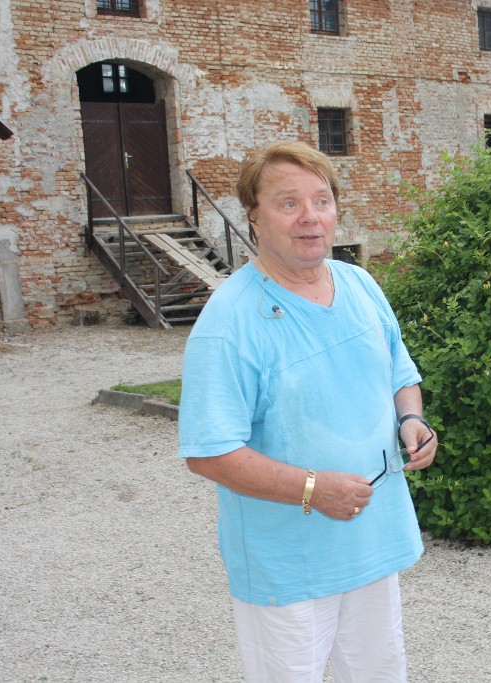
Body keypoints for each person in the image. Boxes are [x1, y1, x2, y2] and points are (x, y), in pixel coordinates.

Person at [176, 141, 437, 682]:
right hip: (289, 564)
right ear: (254, 216)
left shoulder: (360, 283)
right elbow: (208, 452)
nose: (310, 217)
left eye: (321, 200)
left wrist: (412, 420)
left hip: (372, 541)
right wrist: (314, 489)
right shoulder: (230, 321)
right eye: (288, 203)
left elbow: (400, 374)